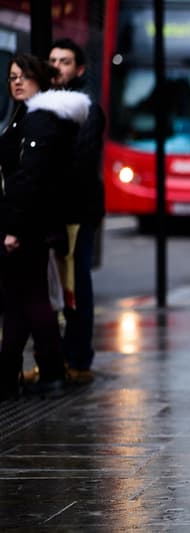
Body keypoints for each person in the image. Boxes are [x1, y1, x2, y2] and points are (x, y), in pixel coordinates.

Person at [0, 53, 90, 401]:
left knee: (30, 297)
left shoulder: (40, 120)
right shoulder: (34, 116)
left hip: (28, 225)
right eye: (11, 77)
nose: (17, 82)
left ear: (42, 79)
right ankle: (14, 372)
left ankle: (47, 370)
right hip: (32, 222)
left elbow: (30, 178)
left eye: (23, 76)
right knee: (21, 299)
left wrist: (14, 229)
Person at [48, 38, 106, 385]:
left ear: (79, 69)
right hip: (54, 210)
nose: (57, 66)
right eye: (53, 59)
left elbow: (80, 162)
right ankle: (58, 356)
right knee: (54, 286)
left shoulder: (86, 107)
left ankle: (78, 358)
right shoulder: (43, 104)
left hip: (75, 211)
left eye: (65, 61)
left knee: (75, 285)